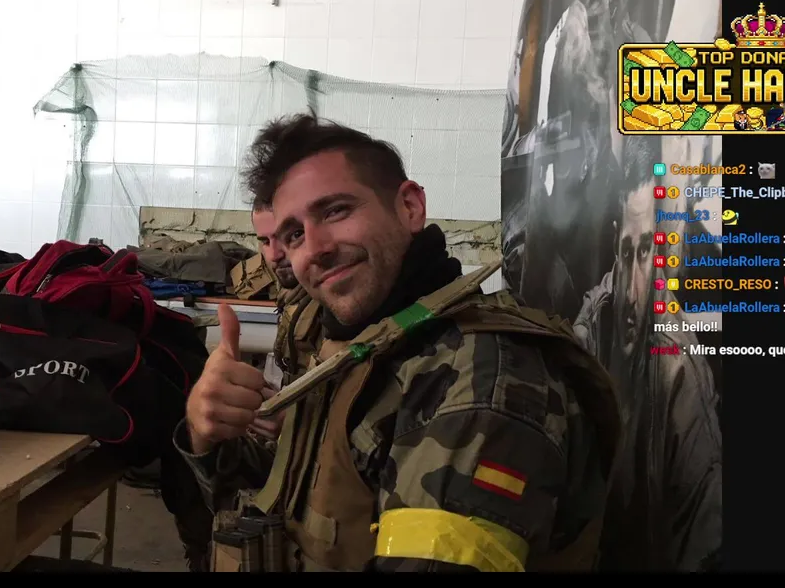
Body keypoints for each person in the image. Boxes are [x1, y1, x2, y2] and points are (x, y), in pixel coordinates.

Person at [175, 114, 621, 572]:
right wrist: (206, 432)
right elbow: (288, 498)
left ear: (409, 207)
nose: (316, 248)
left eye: (336, 211)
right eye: (295, 235)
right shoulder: (366, 343)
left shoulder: (478, 381)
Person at [572, 137, 723, 572]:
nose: (633, 293)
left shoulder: (681, 376)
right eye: (626, 252)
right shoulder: (595, 321)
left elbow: (703, 539)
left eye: (645, 253)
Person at [252, 200, 319, 382]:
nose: (274, 255)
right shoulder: (290, 296)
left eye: (291, 236)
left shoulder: (335, 306)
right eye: (265, 241)